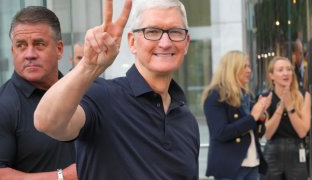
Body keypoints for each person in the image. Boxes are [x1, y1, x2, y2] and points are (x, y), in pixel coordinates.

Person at [34, 0, 200, 179]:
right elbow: (46, 122)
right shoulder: (102, 97)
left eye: (175, 32)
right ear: (132, 42)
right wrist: (88, 66)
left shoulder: (187, 121)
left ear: (187, 43)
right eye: (153, 32)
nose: (165, 43)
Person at [0, 6, 77, 179]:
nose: (29, 54)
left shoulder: (82, 92)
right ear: (13, 51)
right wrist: (64, 176)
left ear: (59, 49)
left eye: (39, 44)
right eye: (21, 46)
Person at [202, 50, 271, 179]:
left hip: (253, 164)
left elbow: (258, 134)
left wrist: (260, 118)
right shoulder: (215, 96)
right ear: (232, 69)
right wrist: (252, 117)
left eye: (249, 66)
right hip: (230, 168)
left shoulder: (246, 95)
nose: (249, 70)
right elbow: (221, 133)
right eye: (245, 66)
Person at [260, 56, 311, 180]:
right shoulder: (265, 97)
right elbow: (267, 134)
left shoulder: (304, 95)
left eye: (289, 69)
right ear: (271, 76)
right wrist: (280, 107)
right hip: (272, 152)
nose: (286, 73)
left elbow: (302, 131)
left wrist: (289, 107)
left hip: (297, 151)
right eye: (281, 70)